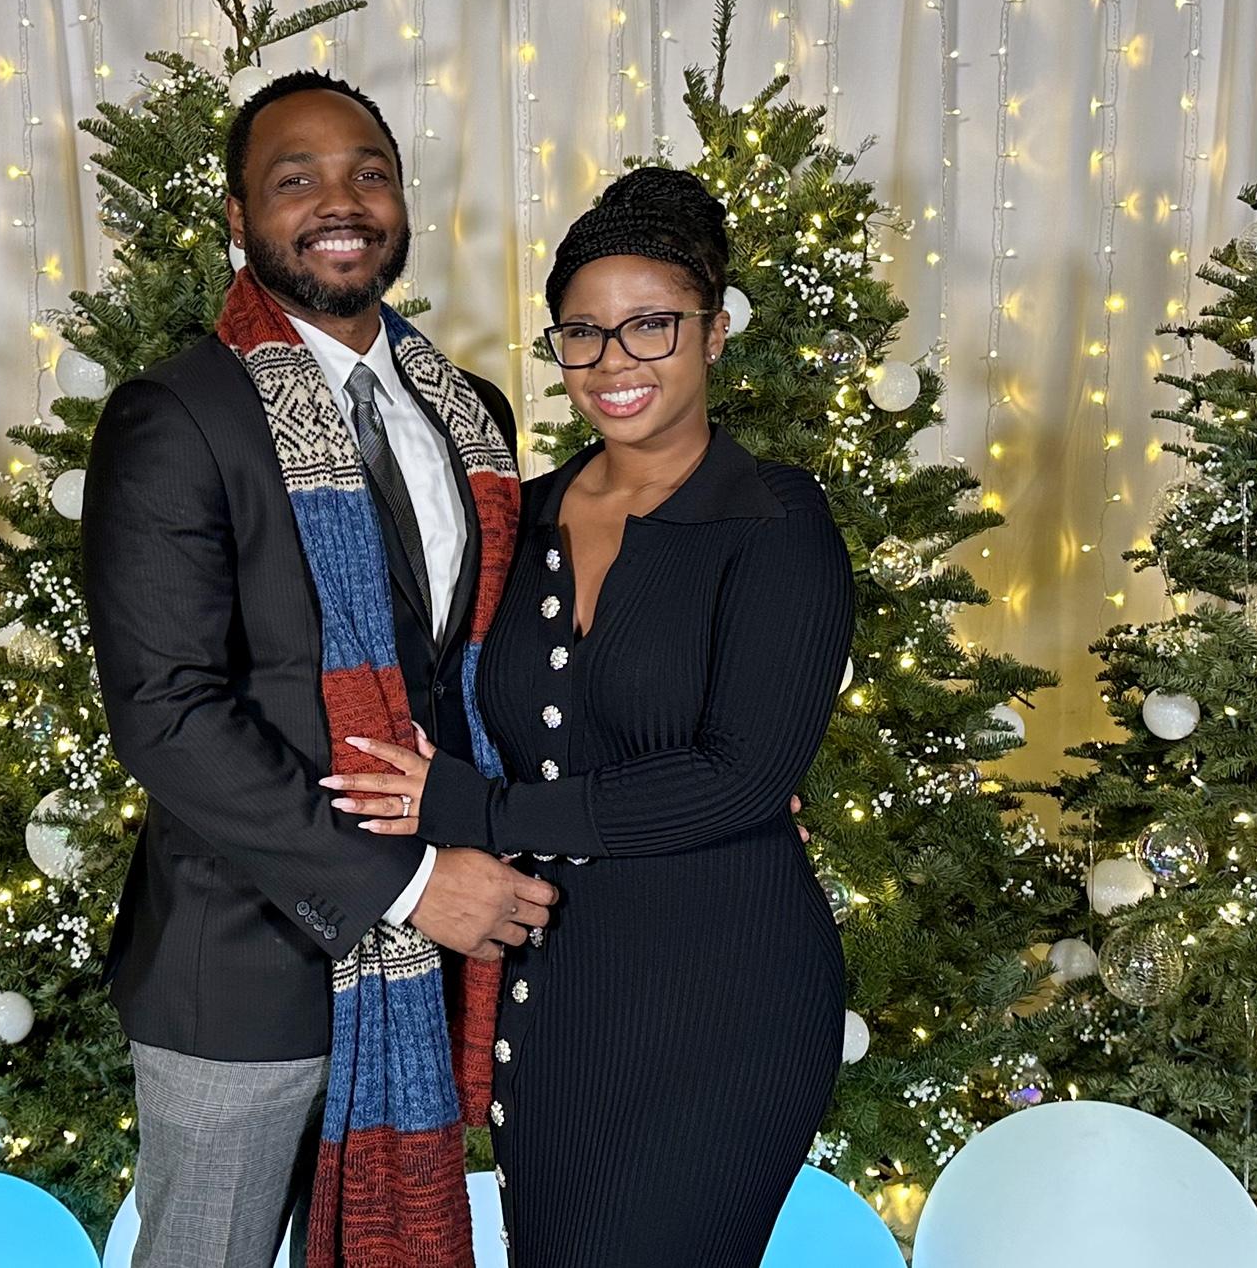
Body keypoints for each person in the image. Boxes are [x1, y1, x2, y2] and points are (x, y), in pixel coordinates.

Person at [324, 166, 855, 1266]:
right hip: (553, 995)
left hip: (725, 999)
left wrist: (478, 808)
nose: (615, 363)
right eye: (583, 334)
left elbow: (740, 779)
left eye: (651, 325)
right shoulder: (520, 518)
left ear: (714, 332)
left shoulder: (775, 519)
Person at [82, 70, 557, 1268]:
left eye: (368, 175)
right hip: (241, 973)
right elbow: (168, 714)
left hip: (427, 970)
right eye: (295, 180)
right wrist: (409, 885)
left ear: (400, 206)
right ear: (239, 218)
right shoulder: (176, 416)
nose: (340, 202)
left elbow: (495, 669)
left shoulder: (472, 414)